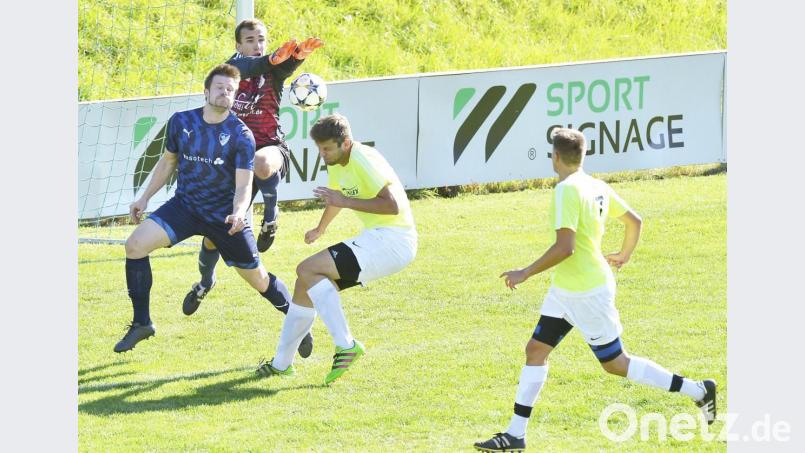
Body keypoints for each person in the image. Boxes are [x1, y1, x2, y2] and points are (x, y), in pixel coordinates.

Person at [473, 128, 717, 452]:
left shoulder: (566, 190)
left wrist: (525, 272)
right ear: (582, 155)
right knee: (535, 350)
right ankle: (515, 434)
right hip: (565, 291)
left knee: (616, 364)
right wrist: (624, 254)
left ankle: (698, 390)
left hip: (587, 293)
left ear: (555, 157)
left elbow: (566, 247)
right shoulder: (596, 185)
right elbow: (635, 221)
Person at [114, 64, 298, 355]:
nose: (225, 93)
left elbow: (244, 185)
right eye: (220, 87)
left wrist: (239, 212)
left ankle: (298, 319)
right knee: (135, 246)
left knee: (260, 280)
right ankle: (142, 323)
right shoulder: (181, 121)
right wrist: (144, 198)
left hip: (223, 217)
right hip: (185, 208)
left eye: (230, 90)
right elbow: (168, 162)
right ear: (206, 91)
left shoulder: (242, 135)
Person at [254, 113, 418, 384]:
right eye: (320, 149)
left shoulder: (363, 158)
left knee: (307, 269)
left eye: (327, 149)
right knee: (304, 284)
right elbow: (336, 197)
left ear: (346, 143)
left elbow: (392, 206)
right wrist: (320, 229)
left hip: (394, 241)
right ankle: (281, 364)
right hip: (381, 238)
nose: (323, 154)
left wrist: (344, 200)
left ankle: (346, 344)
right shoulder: (338, 162)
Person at [182, 18, 323, 322]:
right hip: (235, 163)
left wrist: (298, 57)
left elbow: (283, 69)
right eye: (250, 40)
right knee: (213, 235)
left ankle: (270, 217)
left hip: (271, 148)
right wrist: (271, 58)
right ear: (238, 45)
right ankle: (205, 283)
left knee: (263, 162)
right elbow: (247, 67)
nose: (257, 45)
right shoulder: (231, 70)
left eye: (261, 39)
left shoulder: (274, 69)